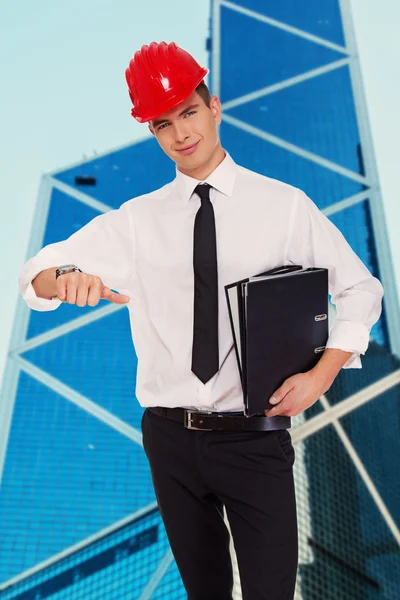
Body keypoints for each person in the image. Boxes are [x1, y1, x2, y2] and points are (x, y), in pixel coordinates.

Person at [18, 41, 384, 600]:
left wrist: (322, 376)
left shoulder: (283, 206)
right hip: (169, 439)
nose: (181, 133)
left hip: (254, 438)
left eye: (189, 112)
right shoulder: (139, 222)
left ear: (214, 108)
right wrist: (64, 277)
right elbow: (36, 273)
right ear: (153, 134)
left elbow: (361, 289)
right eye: (164, 124)